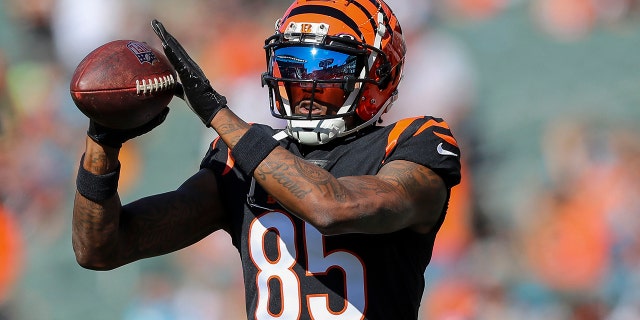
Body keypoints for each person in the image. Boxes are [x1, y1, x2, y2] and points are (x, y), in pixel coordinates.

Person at [72, 0, 461, 319]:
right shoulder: (241, 159)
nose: (305, 85)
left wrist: (216, 112)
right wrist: (102, 140)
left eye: (326, 70)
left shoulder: (414, 142)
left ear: (378, 75)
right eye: (292, 66)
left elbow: (332, 207)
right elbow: (101, 249)